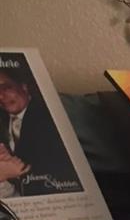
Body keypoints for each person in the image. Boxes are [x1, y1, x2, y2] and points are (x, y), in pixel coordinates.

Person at [0, 64, 80, 196]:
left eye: (6, 88)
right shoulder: (2, 121)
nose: (1, 97)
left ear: (24, 86)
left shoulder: (51, 117)